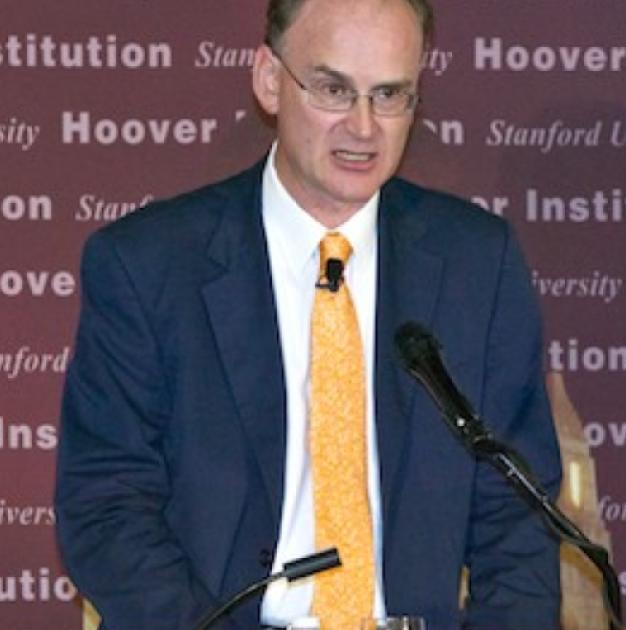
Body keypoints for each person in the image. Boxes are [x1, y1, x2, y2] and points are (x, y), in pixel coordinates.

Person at [54, 0, 562, 628]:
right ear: (270, 80)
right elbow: (106, 506)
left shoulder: (477, 264)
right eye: (334, 90)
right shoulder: (149, 266)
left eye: (390, 95)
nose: (364, 127)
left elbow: (518, 518)